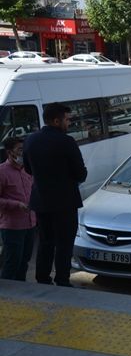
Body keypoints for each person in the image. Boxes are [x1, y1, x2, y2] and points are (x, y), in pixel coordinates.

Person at [23, 103, 88, 287]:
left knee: (45, 242)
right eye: (67, 119)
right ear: (56, 120)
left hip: (41, 201)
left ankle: (42, 278)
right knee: (64, 243)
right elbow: (80, 174)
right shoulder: (67, 142)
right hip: (65, 202)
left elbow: (28, 169)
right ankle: (62, 279)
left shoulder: (30, 140)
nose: (69, 123)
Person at [0, 137, 36, 281]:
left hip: (30, 223)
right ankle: (6, 296)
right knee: (12, 262)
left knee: (24, 261)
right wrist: (17, 204)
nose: (23, 153)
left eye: (24, 149)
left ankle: (22, 291)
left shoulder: (28, 169)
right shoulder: (2, 172)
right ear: (10, 152)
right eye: (20, 150)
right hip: (12, 226)